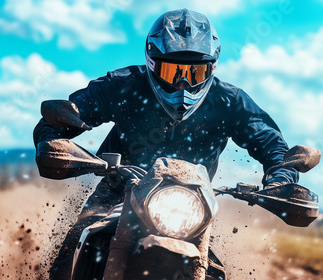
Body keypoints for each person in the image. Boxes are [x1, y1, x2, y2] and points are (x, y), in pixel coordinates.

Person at [33, 9, 298, 279]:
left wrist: (280, 179)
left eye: (194, 73)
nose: (182, 84)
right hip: (117, 192)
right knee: (79, 239)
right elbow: (65, 114)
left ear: (212, 67)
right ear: (151, 62)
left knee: (215, 272)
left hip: (191, 205)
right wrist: (53, 139)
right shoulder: (124, 85)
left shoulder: (228, 101)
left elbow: (270, 142)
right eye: (172, 71)